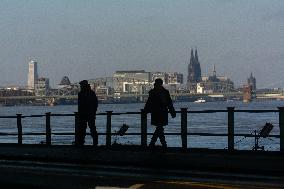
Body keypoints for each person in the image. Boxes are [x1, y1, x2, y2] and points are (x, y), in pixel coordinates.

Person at [144, 78, 176, 148]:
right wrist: (172, 112)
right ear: (161, 83)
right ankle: (161, 144)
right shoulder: (165, 92)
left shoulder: (152, 92)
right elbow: (169, 103)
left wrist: (145, 111)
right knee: (160, 128)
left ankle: (155, 144)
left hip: (155, 112)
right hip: (163, 112)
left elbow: (149, 103)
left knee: (159, 127)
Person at [75, 80, 98, 146]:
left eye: (81, 85)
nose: (80, 86)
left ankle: (81, 143)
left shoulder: (81, 94)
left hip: (83, 115)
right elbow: (95, 103)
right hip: (91, 114)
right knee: (92, 129)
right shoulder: (92, 93)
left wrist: (80, 113)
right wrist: (94, 112)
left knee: (82, 130)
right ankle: (95, 143)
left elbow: (80, 105)